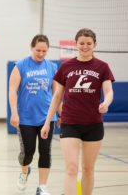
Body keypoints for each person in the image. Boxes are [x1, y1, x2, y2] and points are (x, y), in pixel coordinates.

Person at [41, 28, 114, 195]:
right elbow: (57, 96)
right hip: (70, 123)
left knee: (88, 169)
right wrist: (47, 123)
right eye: (81, 43)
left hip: (93, 124)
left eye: (89, 43)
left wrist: (106, 102)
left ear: (94, 45)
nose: (85, 46)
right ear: (76, 45)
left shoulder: (102, 67)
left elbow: (109, 91)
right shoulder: (66, 66)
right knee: (72, 168)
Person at [9, 34, 61, 195]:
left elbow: (57, 93)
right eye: (38, 50)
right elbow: (12, 90)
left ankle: (42, 187)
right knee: (28, 153)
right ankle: (24, 172)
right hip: (26, 118)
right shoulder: (21, 65)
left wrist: (60, 114)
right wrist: (14, 113)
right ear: (32, 47)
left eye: (44, 51)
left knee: (45, 150)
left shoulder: (52, 67)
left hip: (47, 117)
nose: (41, 54)